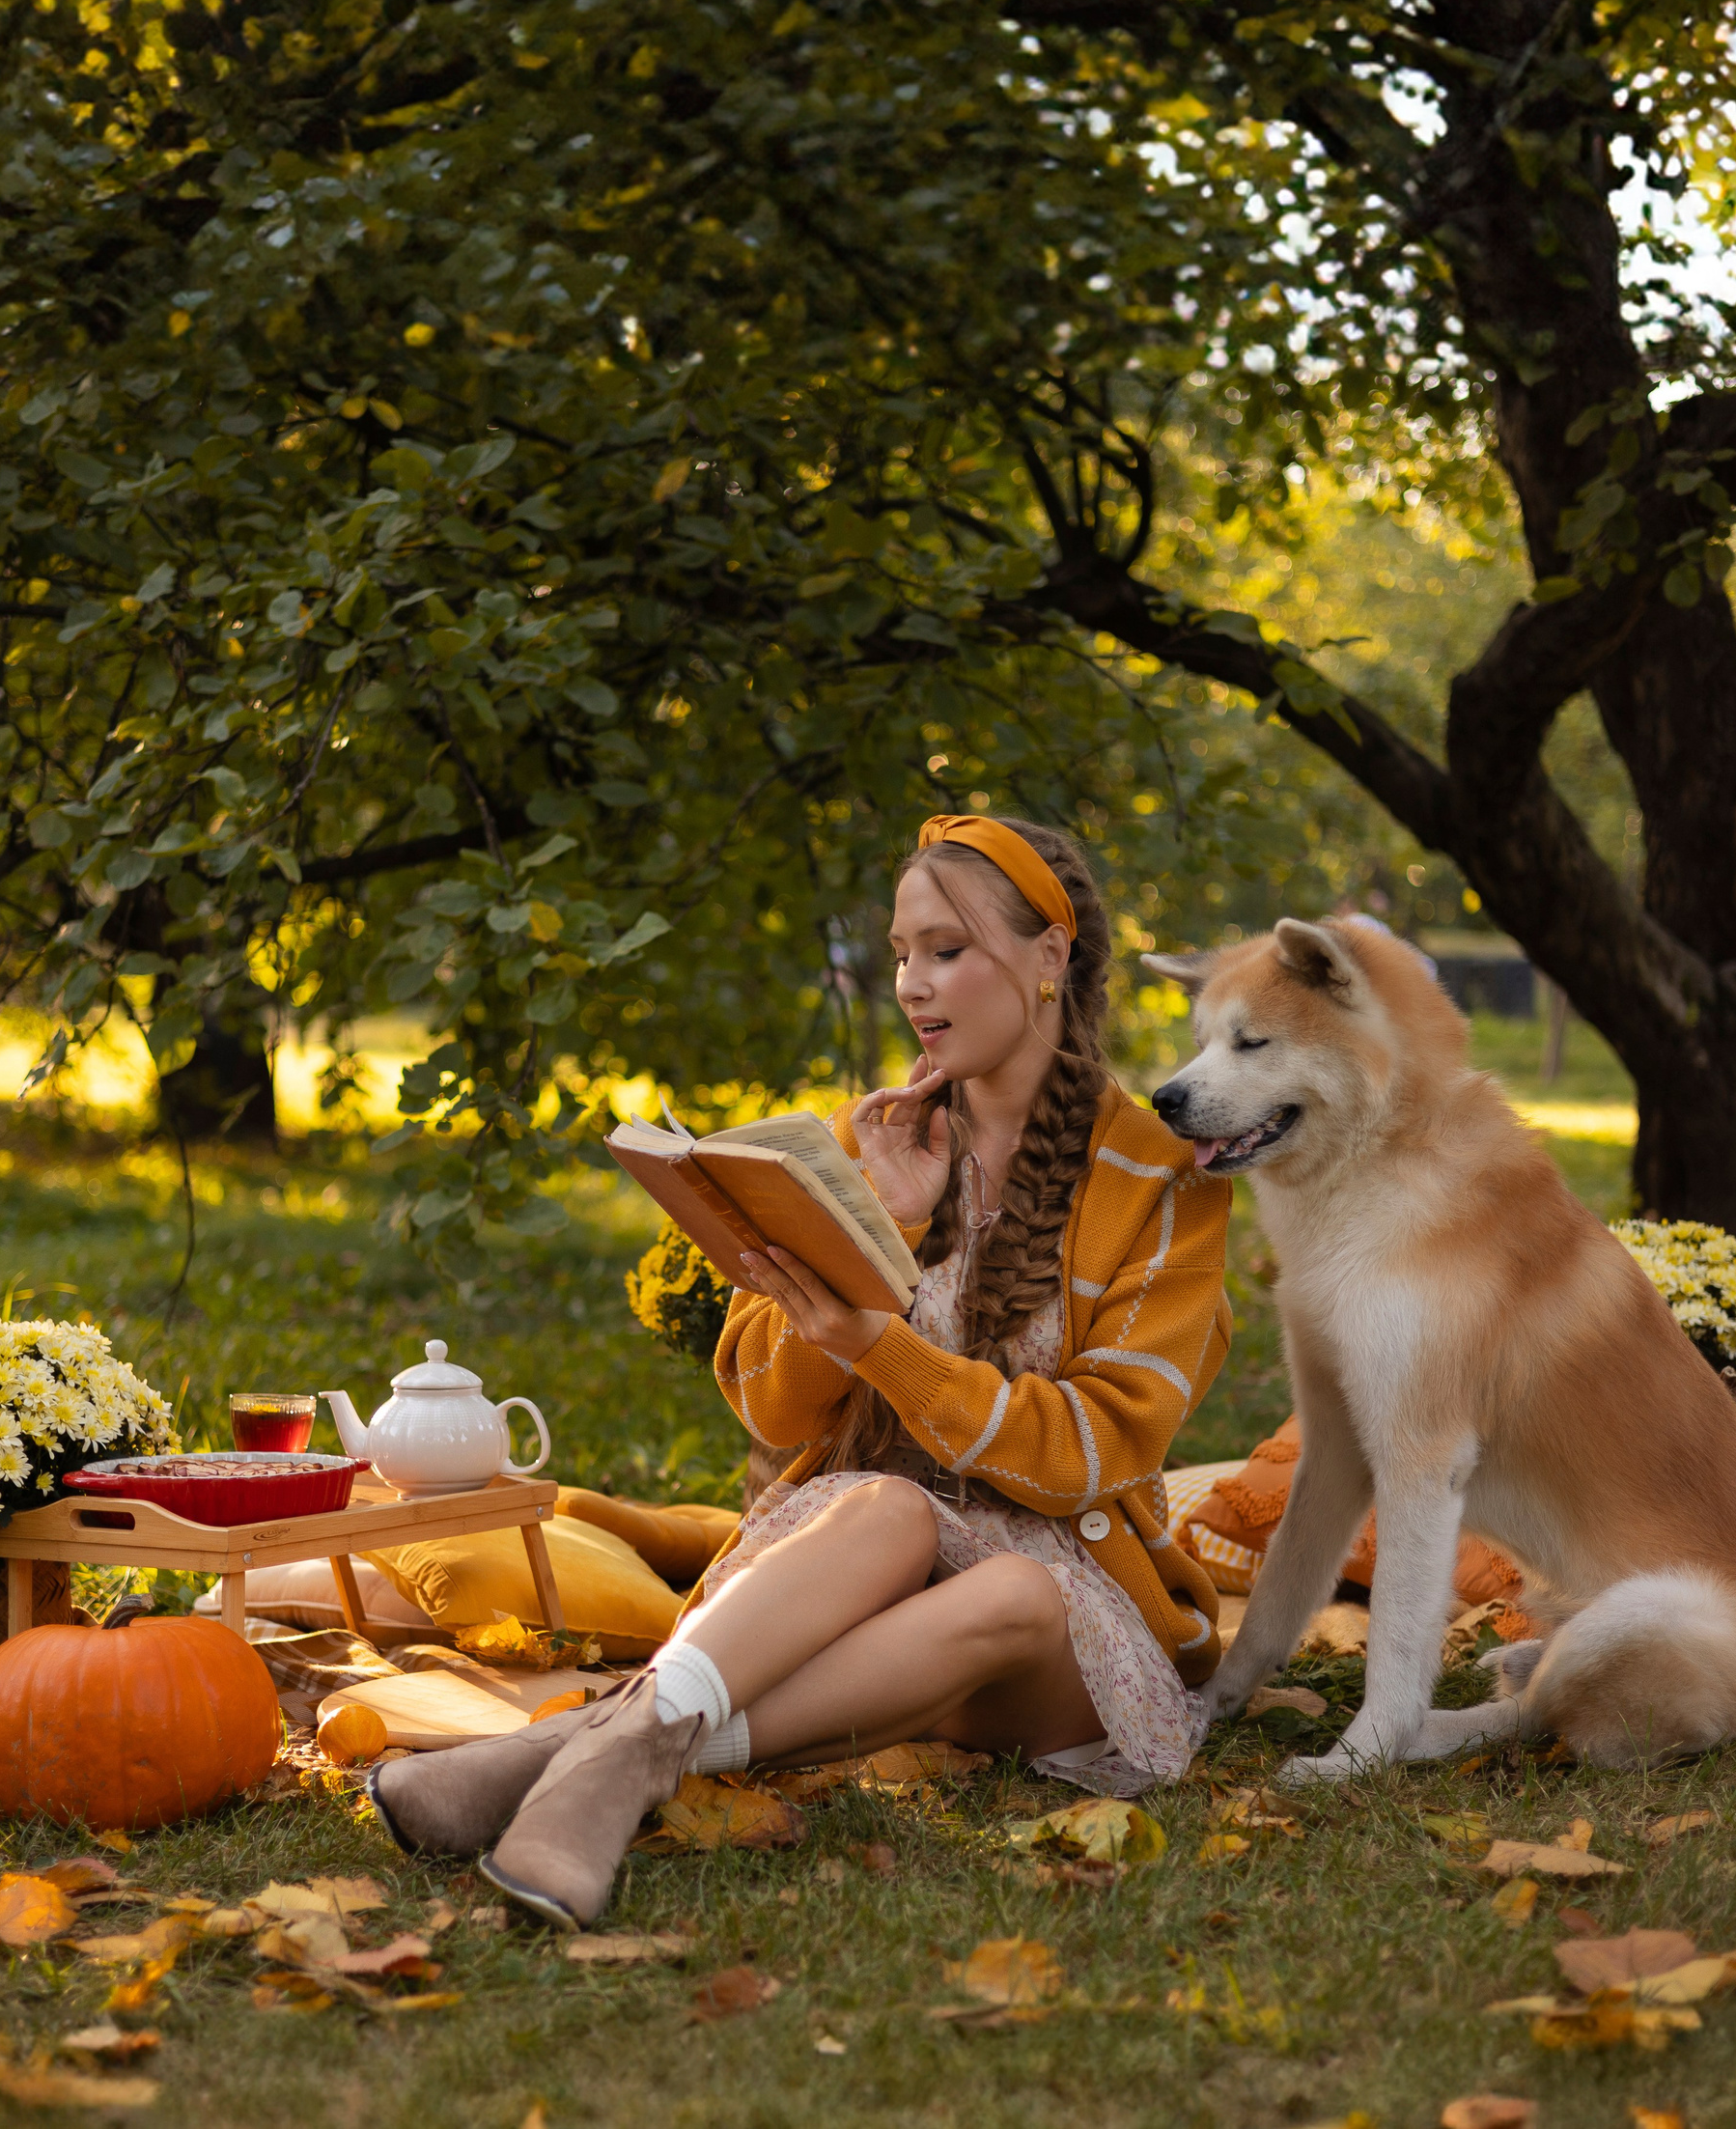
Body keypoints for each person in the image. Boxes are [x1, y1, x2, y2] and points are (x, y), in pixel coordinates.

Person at [369, 815, 1234, 1929]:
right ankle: (625, 1758)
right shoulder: (861, 1145)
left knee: (1014, 1584)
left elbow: (1095, 1451)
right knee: (887, 1504)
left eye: (946, 949)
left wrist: (883, 1341)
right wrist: (878, 1222)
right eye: (899, 952)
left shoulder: (1162, 1174)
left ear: (1049, 956)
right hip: (851, 1581)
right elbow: (774, 1409)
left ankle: (573, 1742)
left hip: (1057, 1610)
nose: (913, 986)